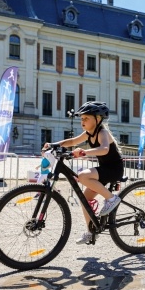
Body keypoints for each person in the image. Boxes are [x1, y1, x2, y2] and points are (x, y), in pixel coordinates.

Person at [43, 101, 124, 245]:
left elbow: (104, 149)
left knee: (83, 176)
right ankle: (90, 231)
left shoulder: (102, 132)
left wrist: (84, 152)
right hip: (103, 170)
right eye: (81, 118)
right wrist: (55, 144)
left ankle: (112, 199)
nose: (83, 121)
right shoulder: (89, 133)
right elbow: (73, 141)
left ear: (98, 119)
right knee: (84, 199)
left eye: (86, 118)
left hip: (113, 169)